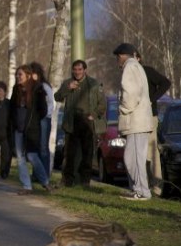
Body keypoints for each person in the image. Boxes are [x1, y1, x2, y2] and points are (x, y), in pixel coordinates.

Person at [54, 60, 106, 187]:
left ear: (85, 70)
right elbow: (57, 97)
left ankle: (84, 182)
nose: (77, 72)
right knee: (69, 154)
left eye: (80, 69)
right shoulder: (68, 83)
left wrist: (92, 115)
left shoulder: (93, 84)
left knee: (87, 153)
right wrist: (67, 88)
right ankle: (67, 181)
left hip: (87, 122)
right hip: (71, 122)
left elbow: (102, 105)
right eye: (75, 69)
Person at [113, 43, 153, 201]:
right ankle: (139, 189)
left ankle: (143, 191)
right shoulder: (137, 66)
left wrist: (123, 109)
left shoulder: (129, 67)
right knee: (133, 157)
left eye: (118, 57)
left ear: (123, 55)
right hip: (139, 121)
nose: (117, 60)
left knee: (134, 158)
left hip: (136, 121)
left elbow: (130, 93)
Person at [10, 65, 53, 195]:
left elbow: (43, 110)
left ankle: (45, 182)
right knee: (20, 157)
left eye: (20, 74)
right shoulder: (16, 89)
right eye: (17, 75)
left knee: (32, 156)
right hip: (18, 129)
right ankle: (26, 186)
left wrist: (33, 122)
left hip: (32, 129)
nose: (18, 77)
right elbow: (12, 108)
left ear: (28, 75)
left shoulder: (37, 89)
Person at [136, 52, 171, 196]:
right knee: (138, 153)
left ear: (138, 58)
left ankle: (156, 188)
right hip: (135, 117)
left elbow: (166, 82)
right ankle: (143, 186)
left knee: (151, 151)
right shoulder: (128, 75)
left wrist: (151, 99)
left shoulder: (147, 71)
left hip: (150, 115)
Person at [30, 62, 54, 178]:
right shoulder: (30, 87)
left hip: (44, 119)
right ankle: (36, 174)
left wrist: (45, 115)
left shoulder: (44, 86)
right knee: (35, 147)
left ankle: (44, 175)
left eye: (33, 73)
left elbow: (50, 103)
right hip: (34, 120)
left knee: (43, 147)